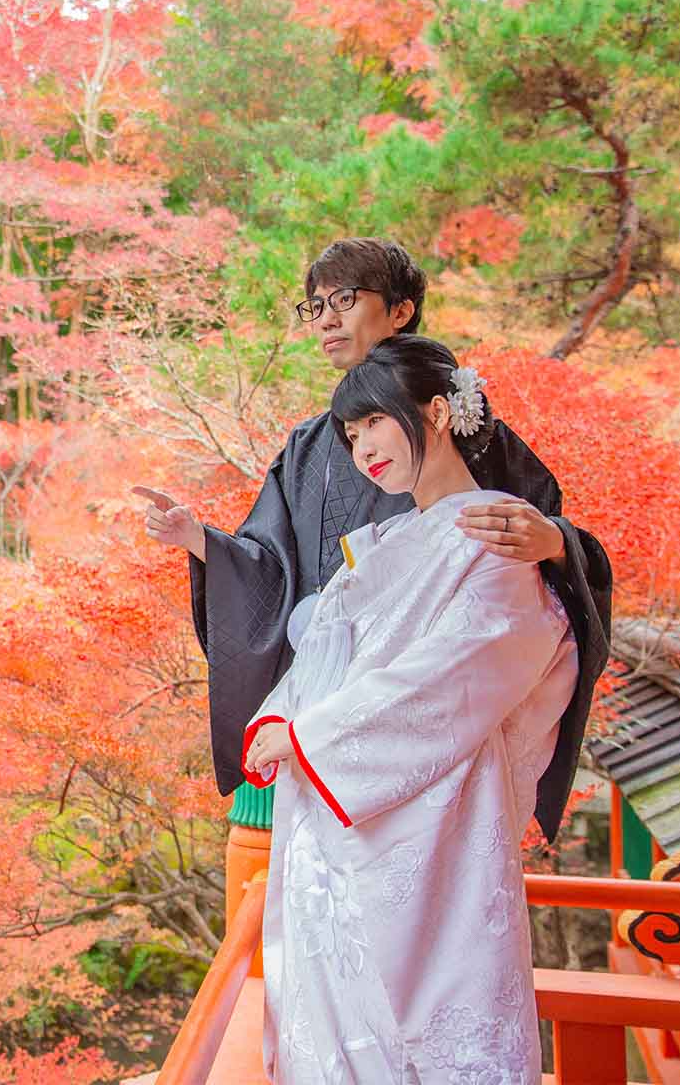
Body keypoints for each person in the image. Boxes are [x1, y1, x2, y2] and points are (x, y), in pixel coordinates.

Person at [135, 238, 610, 843]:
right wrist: (200, 540)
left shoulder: (469, 432)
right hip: (311, 711)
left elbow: (522, 592)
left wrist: (556, 542)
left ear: (401, 311)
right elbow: (277, 570)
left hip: (418, 733)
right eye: (314, 306)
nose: (326, 318)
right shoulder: (310, 446)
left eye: (344, 299)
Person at [243, 334, 576, 1082]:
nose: (362, 448)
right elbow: (321, 648)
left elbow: (465, 665)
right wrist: (278, 721)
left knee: (436, 1014)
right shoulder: (386, 539)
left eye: (374, 424)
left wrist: (312, 736)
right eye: (351, 434)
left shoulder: (496, 528)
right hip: (334, 812)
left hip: (440, 814)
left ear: (433, 411)